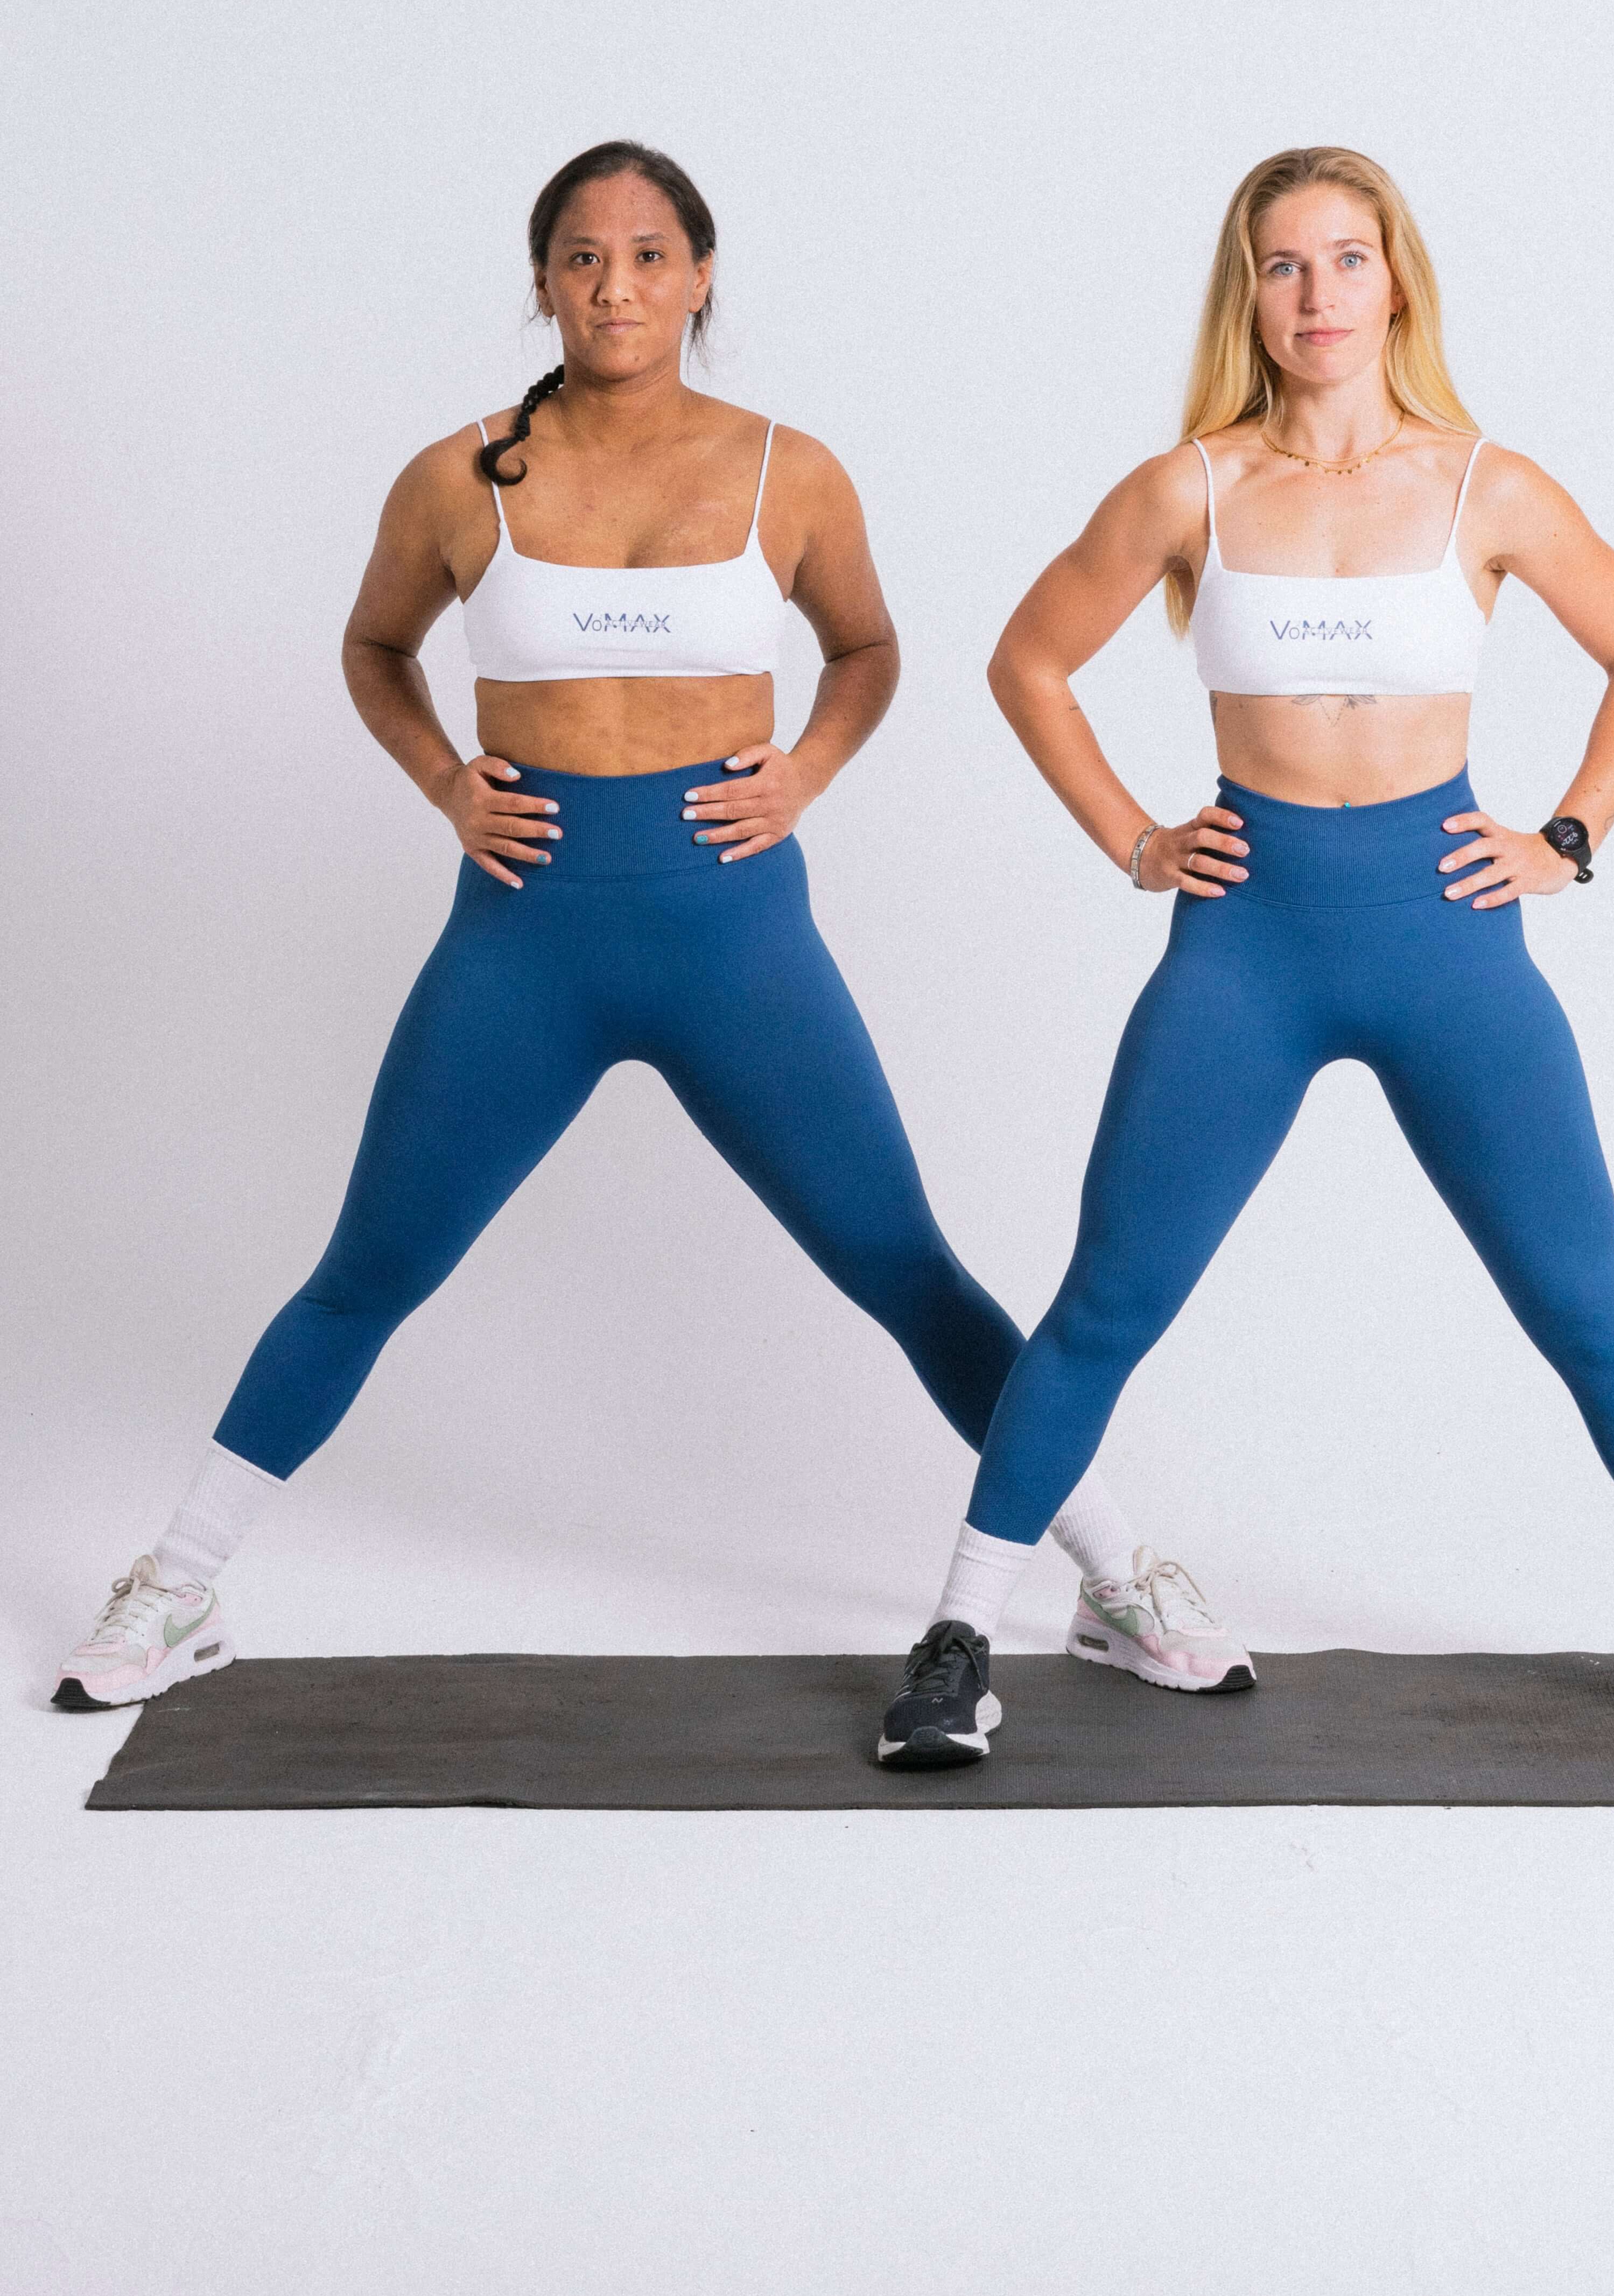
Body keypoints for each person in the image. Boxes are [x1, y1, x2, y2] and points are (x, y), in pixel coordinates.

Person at [55, 140, 1247, 1725]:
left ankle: (1109, 1563)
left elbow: (872, 649)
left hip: (734, 943)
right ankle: (178, 1579)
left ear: (700, 275)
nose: (615, 286)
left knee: (902, 1266)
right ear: (541, 281)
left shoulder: (789, 470)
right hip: (522, 943)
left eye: (647, 254)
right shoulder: (458, 473)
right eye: (581, 257)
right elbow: (373, 645)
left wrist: (807, 770)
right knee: (368, 1269)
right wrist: (444, 783)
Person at [878, 145, 1614, 1777]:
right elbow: (1028, 660)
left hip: (1447, 931)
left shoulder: (1488, 485)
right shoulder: (1189, 487)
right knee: (1110, 1298)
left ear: (1397, 276)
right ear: (1246, 294)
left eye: (1345, 258)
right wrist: (1135, 835)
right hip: (1245, 941)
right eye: (1283, 264)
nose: (1317, 293)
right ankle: (960, 1637)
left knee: (1582, 1299)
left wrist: (1572, 835)